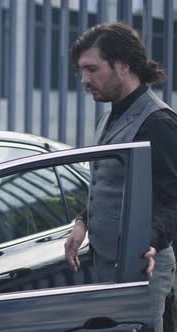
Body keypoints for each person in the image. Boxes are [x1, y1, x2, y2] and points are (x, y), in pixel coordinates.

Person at [65, 22, 177, 332]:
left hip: (144, 267)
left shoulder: (158, 122)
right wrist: (81, 222)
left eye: (92, 69)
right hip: (105, 264)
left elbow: (173, 200)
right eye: (82, 71)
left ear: (123, 65)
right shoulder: (108, 115)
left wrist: (151, 242)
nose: (85, 79)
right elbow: (109, 182)